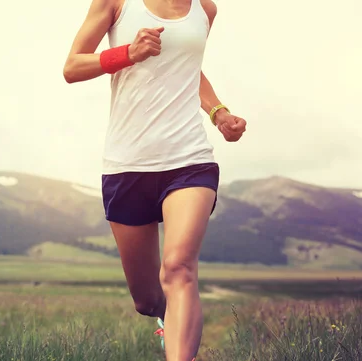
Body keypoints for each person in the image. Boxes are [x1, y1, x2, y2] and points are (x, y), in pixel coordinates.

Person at [62, 0, 247, 360]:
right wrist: (128, 53)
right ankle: (166, 317)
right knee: (147, 299)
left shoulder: (205, 10)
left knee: (178, 268)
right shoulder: (115, 3)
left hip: (189, 159)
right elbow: (72, 67)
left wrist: (218, 112)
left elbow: (188, 70)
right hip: (127, 164)